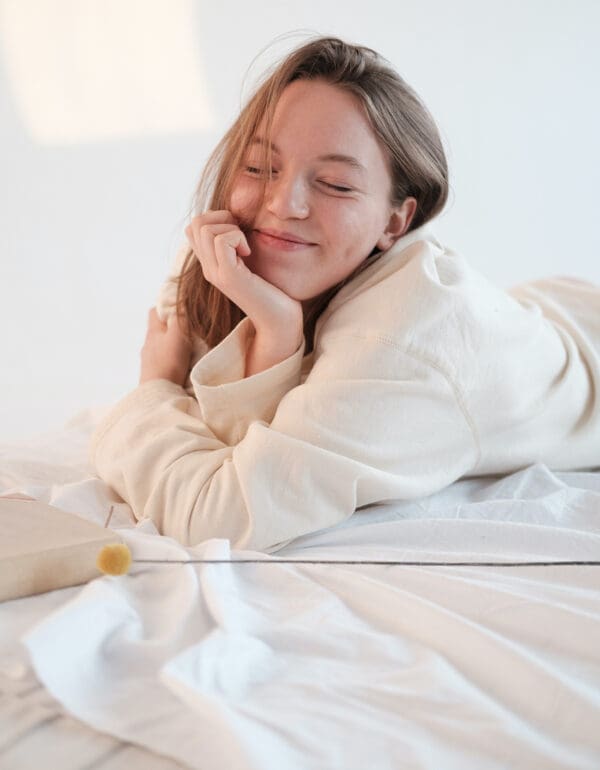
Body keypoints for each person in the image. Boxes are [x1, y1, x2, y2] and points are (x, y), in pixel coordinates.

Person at [90, 35, 600, 552]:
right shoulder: (224, 254)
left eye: (334, 184)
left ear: (395, 221)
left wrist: (152, 389)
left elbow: (217, 515)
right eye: (259, 167)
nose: (283, 203)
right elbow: (231, 450)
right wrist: (275, 334)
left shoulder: (403, 345)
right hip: (538, 313)